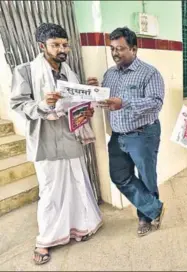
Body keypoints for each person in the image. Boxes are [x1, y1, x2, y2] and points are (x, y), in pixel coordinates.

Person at [9, 23, 102, 265]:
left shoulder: (69, 73)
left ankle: (80, 227)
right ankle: (46, 240)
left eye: (64, 44)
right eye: (55, 45)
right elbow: (18, 105)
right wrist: (43, 103)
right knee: (50, 192)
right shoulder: (25, 71)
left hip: (70, 136)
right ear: (42, 47)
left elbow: (76, 105)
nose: (62, 49)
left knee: (76, 183)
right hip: (45, 139)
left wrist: (87, 100)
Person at [87, 27, 165, 237]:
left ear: (134, 49)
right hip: (118, 135)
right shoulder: (110, 74)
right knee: (119, 176)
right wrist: (94, 90)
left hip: (143, 135)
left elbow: (156, 103)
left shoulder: (149, 73)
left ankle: (145, 217)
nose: (115, 53)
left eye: (120, 49)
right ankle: (154, 208)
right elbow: (106, 99)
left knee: (147, 177)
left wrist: (125, 102)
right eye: (112, 48)